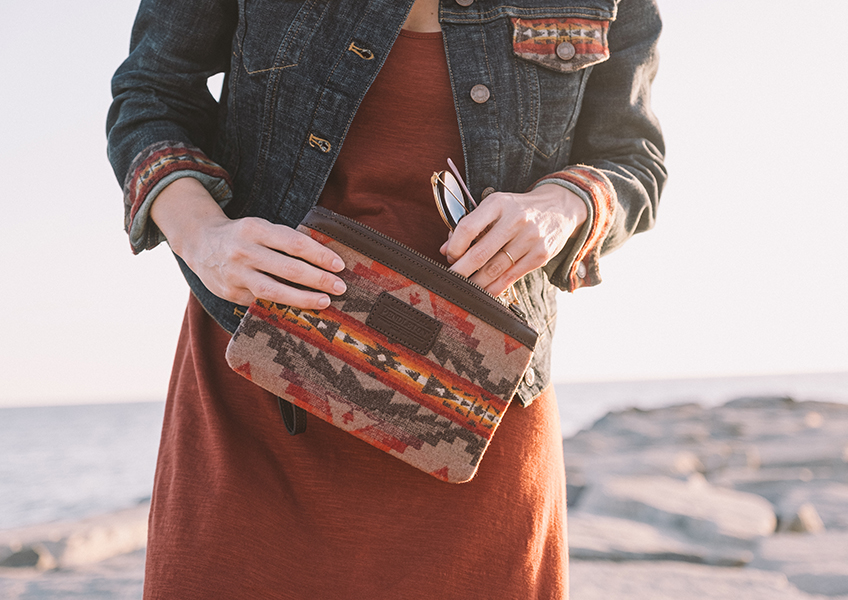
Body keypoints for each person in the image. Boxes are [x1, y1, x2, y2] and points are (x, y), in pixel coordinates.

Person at [107, 0, 665, 597]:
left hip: (476, 405)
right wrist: (205, 238)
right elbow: (151, 97)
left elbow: (633, 160)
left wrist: (561, 206)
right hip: (260, 394)